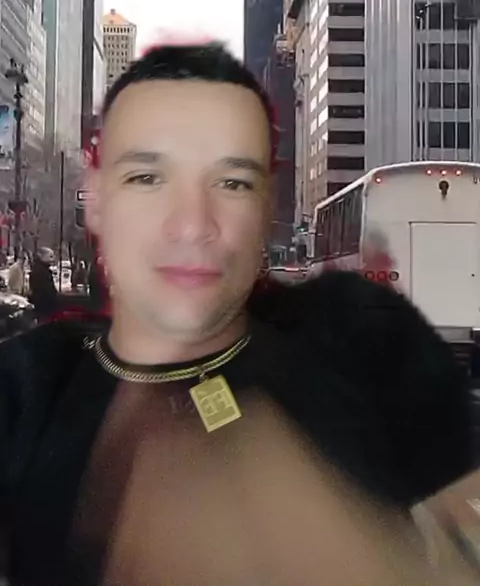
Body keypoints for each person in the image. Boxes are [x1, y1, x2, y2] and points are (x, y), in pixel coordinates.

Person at [0, 43, 472, 586]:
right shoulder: (24, 388)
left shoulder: (365, 359)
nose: (192, 224)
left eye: (232, 183)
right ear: (96, 201)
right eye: (147, 178)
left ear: (266, 210)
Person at [28, 246, 58, 323]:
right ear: (42, 256)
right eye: (50, 256)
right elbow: (47, 290)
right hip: (44, 305)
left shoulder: (37, 269)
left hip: (40, 305)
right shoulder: (42, 271)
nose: (53, 259)